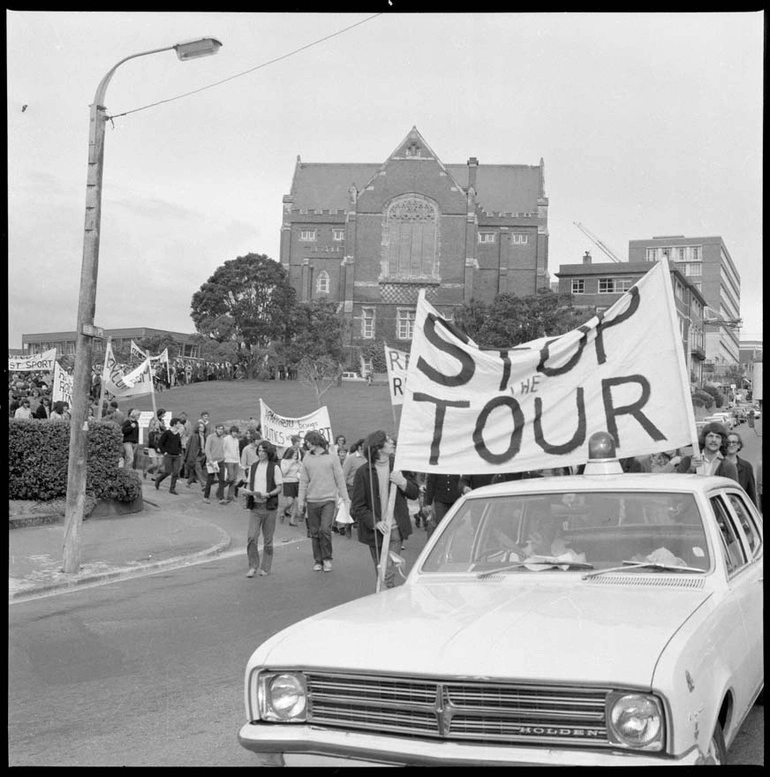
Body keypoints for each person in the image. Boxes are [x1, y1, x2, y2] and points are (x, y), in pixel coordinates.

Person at [351, 430, 419, 589]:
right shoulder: (363, 472)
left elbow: (414, 493)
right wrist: (375, 522)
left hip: (395, 530)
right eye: (388, 441)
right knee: (380, 573)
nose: (392, 443)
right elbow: (357, 506)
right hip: (375, 531)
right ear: (378, 447)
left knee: (387, 573)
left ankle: (388, 605)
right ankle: (384, 602)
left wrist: (402, 482)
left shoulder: (399, 467)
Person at [296, 430, 350, 572]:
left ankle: (327, 558)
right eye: (306, 443)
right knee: (314, 532)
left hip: (328, 500)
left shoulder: (332, 457)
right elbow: (303, 481)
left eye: (309, 442)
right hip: (312, 500)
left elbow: (340, 479)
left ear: (316, 440)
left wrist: (346, 498)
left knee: (325, 529)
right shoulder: (306, 458)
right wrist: (301, 500)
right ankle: (318, 560)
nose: (307, 445)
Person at [242, 440, 283, 577]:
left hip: (269, 507)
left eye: (263, 451)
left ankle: (265, 567)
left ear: (268, 453)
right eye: (259, 451)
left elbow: (279, 487)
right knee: (251, 537)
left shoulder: (274, 468)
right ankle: (253, 565)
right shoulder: (253, 467)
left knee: (268, 539)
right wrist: (247, 492)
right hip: (255, 507)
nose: (261, 453)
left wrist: (269, 494)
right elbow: (249, 485)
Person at [424, 473, 463, 538]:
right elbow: (431, 484)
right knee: (441, 525)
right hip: (440, 500)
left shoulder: (456, 466)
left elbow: (461, 482)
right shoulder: (436, 468)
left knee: (453, 525)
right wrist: (428, 503)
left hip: (454, 500)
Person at [725, 432, 758, 506]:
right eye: (728, 442)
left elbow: (751, 494)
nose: (731, 445)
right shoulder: (719, 465)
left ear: (739, 445)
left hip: (740, 510)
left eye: (734, 442)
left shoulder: (746, 467)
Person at [154, 417, 185, 494]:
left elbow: (179, 444)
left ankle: (172, 489)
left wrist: (180, 452)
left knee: (175, 472)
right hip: (169, 455)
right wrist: (164, 452)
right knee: (167, 471)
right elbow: (160, 443)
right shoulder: (167, 433)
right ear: (174, 424)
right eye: (178, 423)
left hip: (177, 456)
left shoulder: (177, 434)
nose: (179, 425)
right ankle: (158, 480)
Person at [279, 435, 303, 525]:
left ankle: (292, 520)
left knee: (296, 502)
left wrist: (300, 464)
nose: (296, 456)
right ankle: (283, 511)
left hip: (296, 481)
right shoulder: (284, 461)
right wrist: (291, 463)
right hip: (288, 482)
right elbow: (284, 472)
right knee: (290, 502)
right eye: (294, 454)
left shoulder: (297, 462)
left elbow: (301, 471)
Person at [203, 423, 227, 504]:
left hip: (221, 461)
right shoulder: (210, 437)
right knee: (210, 479)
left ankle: (221, 497)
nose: (221, 431)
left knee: (222, 480)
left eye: (222, 429)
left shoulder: (222, 438)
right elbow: (207, 449)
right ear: (215, 429)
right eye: (219, 429)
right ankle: (206, 496)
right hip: (212, 462)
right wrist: (210, 460)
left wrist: (224, 457)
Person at [185, 419, 208, 488]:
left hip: (202, 456)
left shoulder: (204, 436)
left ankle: (188, 482)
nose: (202, 428)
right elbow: (190, 446)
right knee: (198, 470)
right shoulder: (194, 436)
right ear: (197, 428)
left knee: (195, 472)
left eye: (203, 427)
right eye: (200, 427)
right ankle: (203, 484)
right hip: (196, 456)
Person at [222, 425, 242, 504]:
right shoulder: (226, 439)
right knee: (231, 477)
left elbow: (237, 451)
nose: (235, 434)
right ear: (231, 432)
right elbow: (223, 449)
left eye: (236, 432)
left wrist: (239, 462)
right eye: (234, 432)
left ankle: (230, 495)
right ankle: (222, 486)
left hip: (235, 461)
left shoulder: (237, 440)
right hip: (228, 460)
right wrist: (223, 459)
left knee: (234, 479)